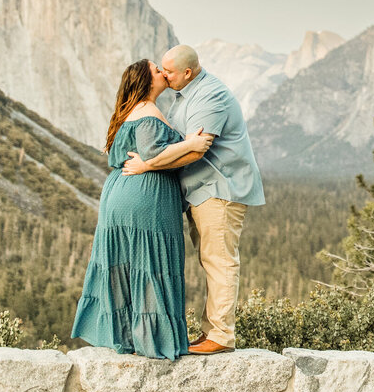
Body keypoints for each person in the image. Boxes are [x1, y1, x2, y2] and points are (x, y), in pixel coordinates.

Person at [124, 44, 265, 355]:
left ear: (187, 72)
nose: (162, 74)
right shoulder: (182, 95)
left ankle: (221, 335)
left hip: (219, 189)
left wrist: (147, 165)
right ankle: (209, 332)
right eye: (160, 69)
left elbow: (196, 149)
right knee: (209, 259)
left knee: (220, 260)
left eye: (168, 71)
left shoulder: (210, 96)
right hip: (199, 191)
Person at [71, 60, 213, 359]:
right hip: (145, 196)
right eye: (156, 68)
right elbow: (153, 153)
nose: (163, 71)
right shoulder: (149, 111)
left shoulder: (127, 112)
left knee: (125, 263)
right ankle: (154, 342)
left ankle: (126, 337)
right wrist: (192, 142)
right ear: (147, 81)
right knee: (150, 263)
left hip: (118, 193)